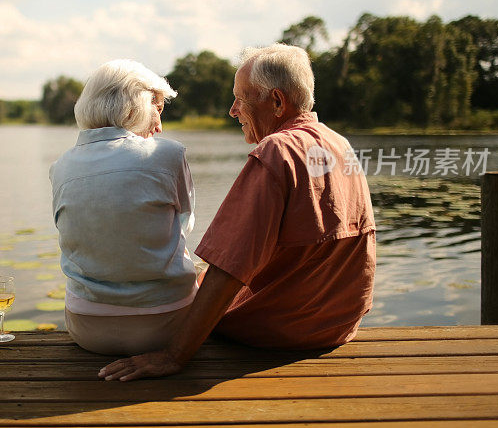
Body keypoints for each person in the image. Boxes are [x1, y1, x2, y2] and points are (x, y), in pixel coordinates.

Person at [99, 43, 376, 381]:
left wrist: (174, 355)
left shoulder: (277, 151)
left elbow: (228, 268)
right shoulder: (339, 144)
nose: (233, 111)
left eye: (241, 99)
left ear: (276, 101)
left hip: (278, 333)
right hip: (334, 327)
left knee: (182, 285)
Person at [49, 59, 199, 355]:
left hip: (86, 328)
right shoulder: (168, 153)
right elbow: (184, 224)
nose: (160, 125)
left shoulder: (60, 166)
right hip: (165, 326)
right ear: (138, 105)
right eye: (158, 109)